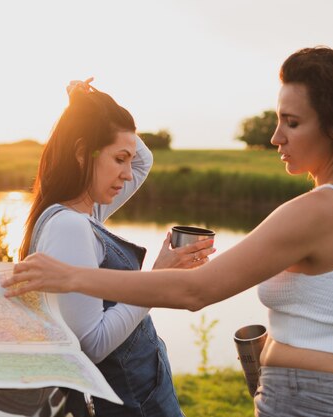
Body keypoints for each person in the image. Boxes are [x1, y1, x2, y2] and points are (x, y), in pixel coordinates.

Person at [5, 47, 333, 416]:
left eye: (292, 123)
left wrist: (71, 277)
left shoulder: (317, 210)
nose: (275, 136)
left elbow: (197, 291)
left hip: (305, 400)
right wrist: (312, 347)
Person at [19, 78, 214, 417]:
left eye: (127, 159)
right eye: (118, 159)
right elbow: (92, 344)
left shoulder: (86, 211)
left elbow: (144, 160)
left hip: (142, 395)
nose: (128, 173)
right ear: (82, 154)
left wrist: (84, 106)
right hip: (131, 405)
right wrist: (157, 276)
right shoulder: (70, 226)